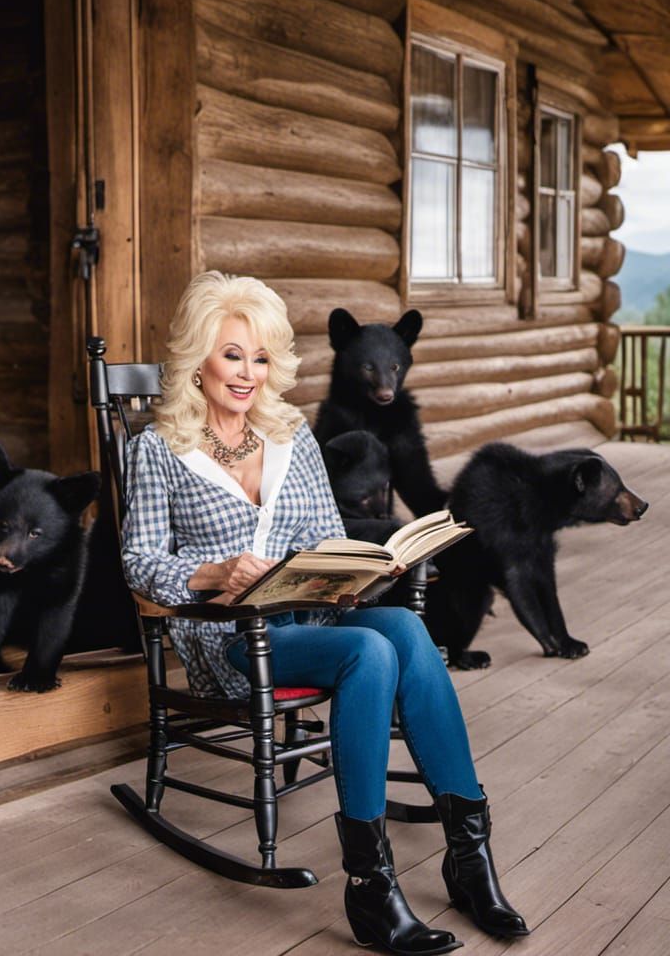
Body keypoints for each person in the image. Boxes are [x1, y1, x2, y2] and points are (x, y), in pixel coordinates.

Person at [120, 271, 528, 956]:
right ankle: (371, 883)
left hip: (305, 616)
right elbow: (137, 563)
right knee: (370, 653)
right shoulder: (158, 449)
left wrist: (361, 567)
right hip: (227, 637)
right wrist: (212, 573)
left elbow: (320, 533)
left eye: (260, 357)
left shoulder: (290, 437)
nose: (248, 374)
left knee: (400, 625)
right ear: (198, 357)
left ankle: (470, 854)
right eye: (232, 355)